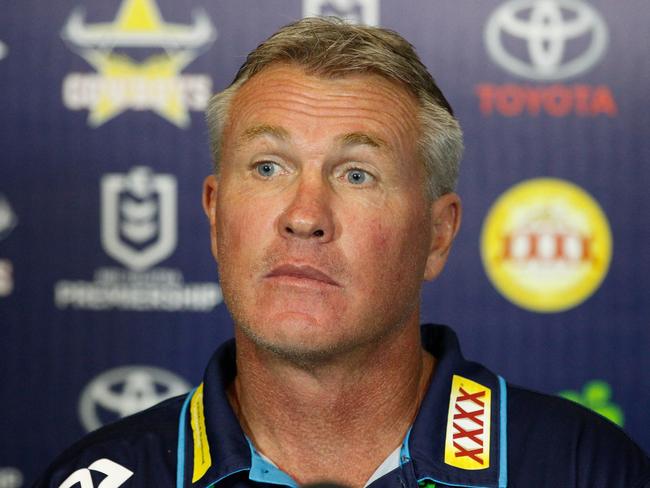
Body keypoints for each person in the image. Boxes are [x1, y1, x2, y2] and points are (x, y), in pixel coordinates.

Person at [35, 17, 649, 488]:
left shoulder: (583, 469)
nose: (304, 216)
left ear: (438, 234)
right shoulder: (102, 476)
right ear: (216, 214)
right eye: (268, 166)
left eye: (357, 175)